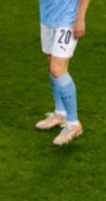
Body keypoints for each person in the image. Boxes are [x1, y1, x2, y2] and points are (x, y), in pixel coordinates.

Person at [33, 0, 90, 146]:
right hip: (47, 18)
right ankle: (60, 113)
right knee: (51, 61)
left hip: (68, 20)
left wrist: (80, 18)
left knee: (57, 69)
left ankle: (73, 123)